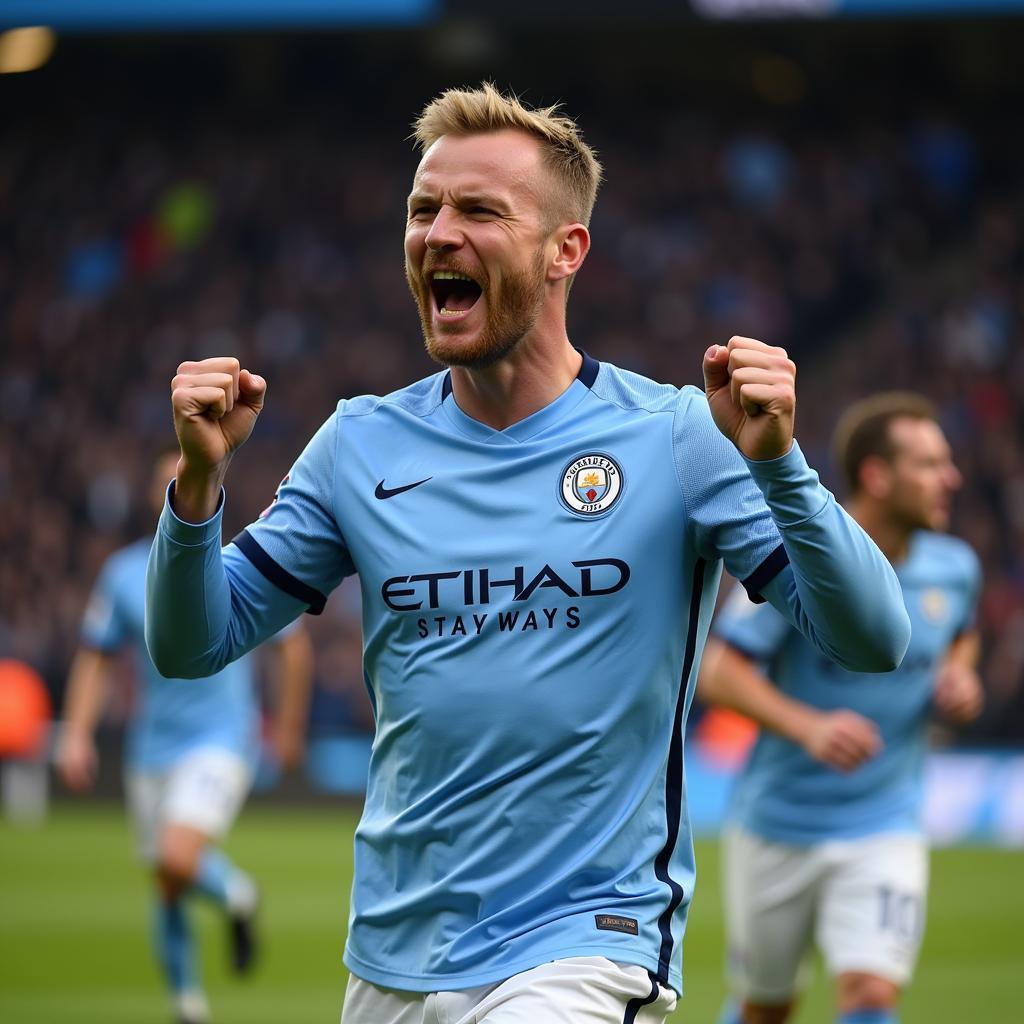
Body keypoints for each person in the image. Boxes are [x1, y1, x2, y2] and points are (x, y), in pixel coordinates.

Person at [145, 84, 911, 1024]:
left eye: (478, 210)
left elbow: (874, 637)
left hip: (585, 946)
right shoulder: (359, 446)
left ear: (565, 251)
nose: (437, 234)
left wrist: (780, 463)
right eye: (424, 209)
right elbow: (190, 644)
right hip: (391, 952)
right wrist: (197, 491)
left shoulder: (675, 436)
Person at [698, 391, 983, 1024]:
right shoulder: (805, 564)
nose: (952, 478)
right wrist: (810, 726)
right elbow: (718, 672)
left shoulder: (954, 568)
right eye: (931, 464)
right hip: (778, 823)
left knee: (871, 995)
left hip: (885, 821)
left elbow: (961, 631)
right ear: (877, 477)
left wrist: (961, 674)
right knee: (766, 1008)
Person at [59, 450, 314, 1024]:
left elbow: (292, 645)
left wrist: (289, 727)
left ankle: (237, 894)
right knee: (167, 885)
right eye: (165, 478)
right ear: (157, 494)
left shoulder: (237, 560)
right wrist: (76, 733)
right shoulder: (124, 574)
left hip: (221, 740)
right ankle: (187, 1005)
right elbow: (96, 658)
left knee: (176, 859)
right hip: (150, 748)